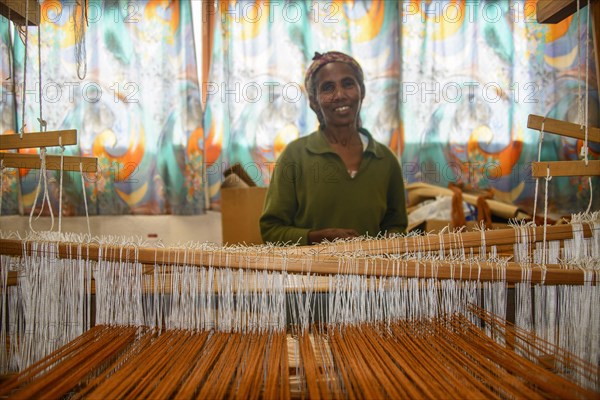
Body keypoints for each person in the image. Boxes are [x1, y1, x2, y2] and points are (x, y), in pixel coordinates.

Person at [260, 51, 407, 245]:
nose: (339, 95)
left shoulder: (385, 160)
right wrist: (317, 237)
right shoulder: (295, 156)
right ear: (314, 101)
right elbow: (271, 232)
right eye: (328, 88)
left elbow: (396, 226)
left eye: (348, 84)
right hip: (312, 274)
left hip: (371, 274)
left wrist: (385, 245)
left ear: (361, 91)